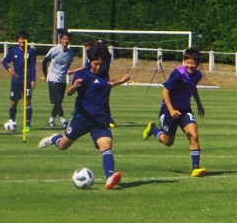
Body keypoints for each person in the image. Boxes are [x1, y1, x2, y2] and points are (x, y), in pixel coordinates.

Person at [38, 43, 130, 190]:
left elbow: (104, 84)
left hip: (100, 119)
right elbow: (68, 93)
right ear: (90, 62)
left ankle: (110, 177)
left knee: (106, 145)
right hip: (82, 118)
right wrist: (73, 87)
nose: (99, 67)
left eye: (101, 63)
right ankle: (54, 138)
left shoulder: (104, 69)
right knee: (63, 145)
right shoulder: (83, 75)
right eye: (95, 64)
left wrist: (120, 81)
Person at [142, 47, 206, 177]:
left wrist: (199, 104)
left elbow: (192, 88)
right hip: (169, 110)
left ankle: (195, 168)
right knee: (168, 142)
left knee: (194, 135)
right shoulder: (178, 74)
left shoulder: (198, 74)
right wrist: (171, 110)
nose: (190, 65)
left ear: (198, 64)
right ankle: (153, 129)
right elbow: (165, 91)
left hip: (185, 110)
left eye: (193, 62)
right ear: (184, 62)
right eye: (187, 62)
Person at [2, 31, 36, 131]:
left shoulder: (31, 52)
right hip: (16, 81)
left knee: (27, 101)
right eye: (20, 38)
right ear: (17, 40)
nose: (22, 41)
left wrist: (33, 80)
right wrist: (10, 70)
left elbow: (33, 66)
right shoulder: (13, 51)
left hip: (27, 80)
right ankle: (12, 121)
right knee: (13, 102)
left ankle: (27, 125)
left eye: (24, 39)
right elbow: (4, 62)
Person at [41, 31, 74, 128]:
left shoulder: (70, 53)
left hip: (62, 80)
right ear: (60, 40)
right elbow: (44, 62)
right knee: (58, 100)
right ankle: (63, 121)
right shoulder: (55, 50)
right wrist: (46, 75)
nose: (66, 41)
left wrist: (67, 71)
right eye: (64, 39)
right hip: (53, 79)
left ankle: (51, 120)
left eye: (67, 39)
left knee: (58, 102)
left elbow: (68, 64)